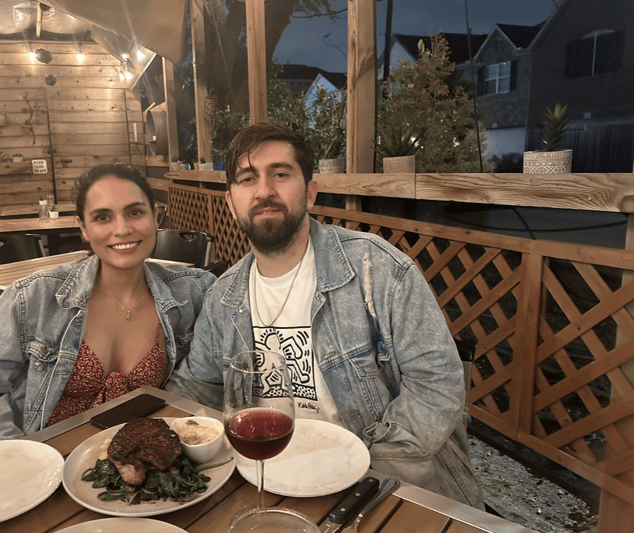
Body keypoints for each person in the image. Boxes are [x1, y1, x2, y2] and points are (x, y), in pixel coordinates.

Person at [166, 122, 484, 508]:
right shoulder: (223, 298)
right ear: (231, 203)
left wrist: (367, 472)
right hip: (265, 476)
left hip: (378, 486)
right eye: (248, 178)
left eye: (280, 174)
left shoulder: (378, 269)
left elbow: (437, 384)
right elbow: (193, 391)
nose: (264, 191)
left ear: (310, 192)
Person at [0, 163, 216, 449]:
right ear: (83, 228)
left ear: (155, 216)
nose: (122, 229)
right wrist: (18, 461)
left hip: (139, 459)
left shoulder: (193, 291)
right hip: (47, 461)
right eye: (102, 217)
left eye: (135, 212)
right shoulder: (34, 296)